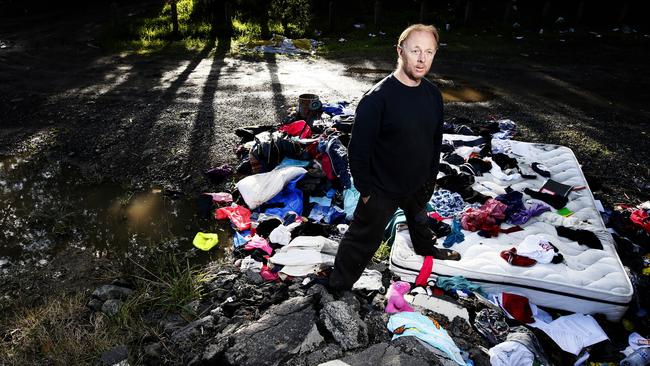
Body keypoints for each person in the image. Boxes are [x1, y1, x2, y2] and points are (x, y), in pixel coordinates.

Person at [329, 24, 461, 291]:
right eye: (415, 51)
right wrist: (366, 191)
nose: (422, 59)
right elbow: (358, 151)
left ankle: (427, 251)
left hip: (417, 184)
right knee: (361, 240)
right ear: (400, 51)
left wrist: (430, 179)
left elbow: (434, 141)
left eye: (429, 52)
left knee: (420, 223)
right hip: (381, 189)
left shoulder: (433, 95)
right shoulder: (377, 99)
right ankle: (336, 286)